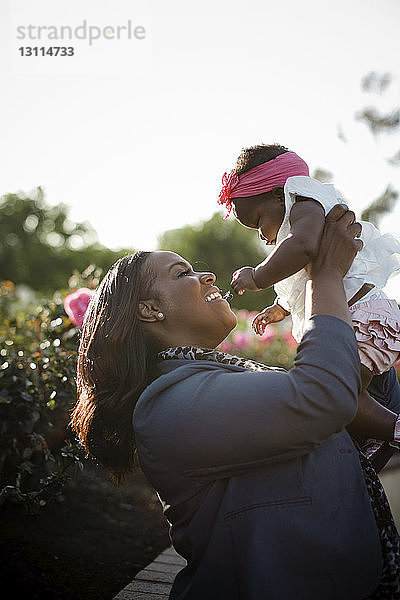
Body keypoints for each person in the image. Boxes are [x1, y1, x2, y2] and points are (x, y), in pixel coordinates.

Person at [71, 205, 400, 599]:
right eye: (182, 274)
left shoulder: (221, 379)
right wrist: (324, 276)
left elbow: (348, 435)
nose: (206, 275)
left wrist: (366, 321)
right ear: (148, 309)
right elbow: (323, 399)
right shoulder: (169, 406)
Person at [218, 143, 400, 463]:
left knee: (336, 388)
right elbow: (303, 277)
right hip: (352, 322)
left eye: (258, 221)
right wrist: (281, 308)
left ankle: (388, 431)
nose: (262, 236)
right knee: (344, 392)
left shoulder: (304, 201)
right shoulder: (301, 219)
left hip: (364, 315)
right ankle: (376, 433)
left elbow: (303, 246)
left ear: (278, 194)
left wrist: (257, 276)